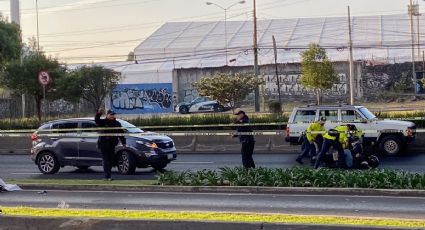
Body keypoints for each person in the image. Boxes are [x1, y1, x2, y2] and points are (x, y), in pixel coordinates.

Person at [95, 108, 127, 180]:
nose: (112, 116)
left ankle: (108, 176)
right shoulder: (103, 122)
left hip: (112, 144)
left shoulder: (117, 123)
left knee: (110, 160)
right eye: (111, 114)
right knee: (106, 160)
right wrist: (99, 113)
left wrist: (124, 143)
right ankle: (107, 176)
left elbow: (121, 133)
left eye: (113, 114)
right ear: (107, 115)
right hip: (103, 144)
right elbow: (97, 120)